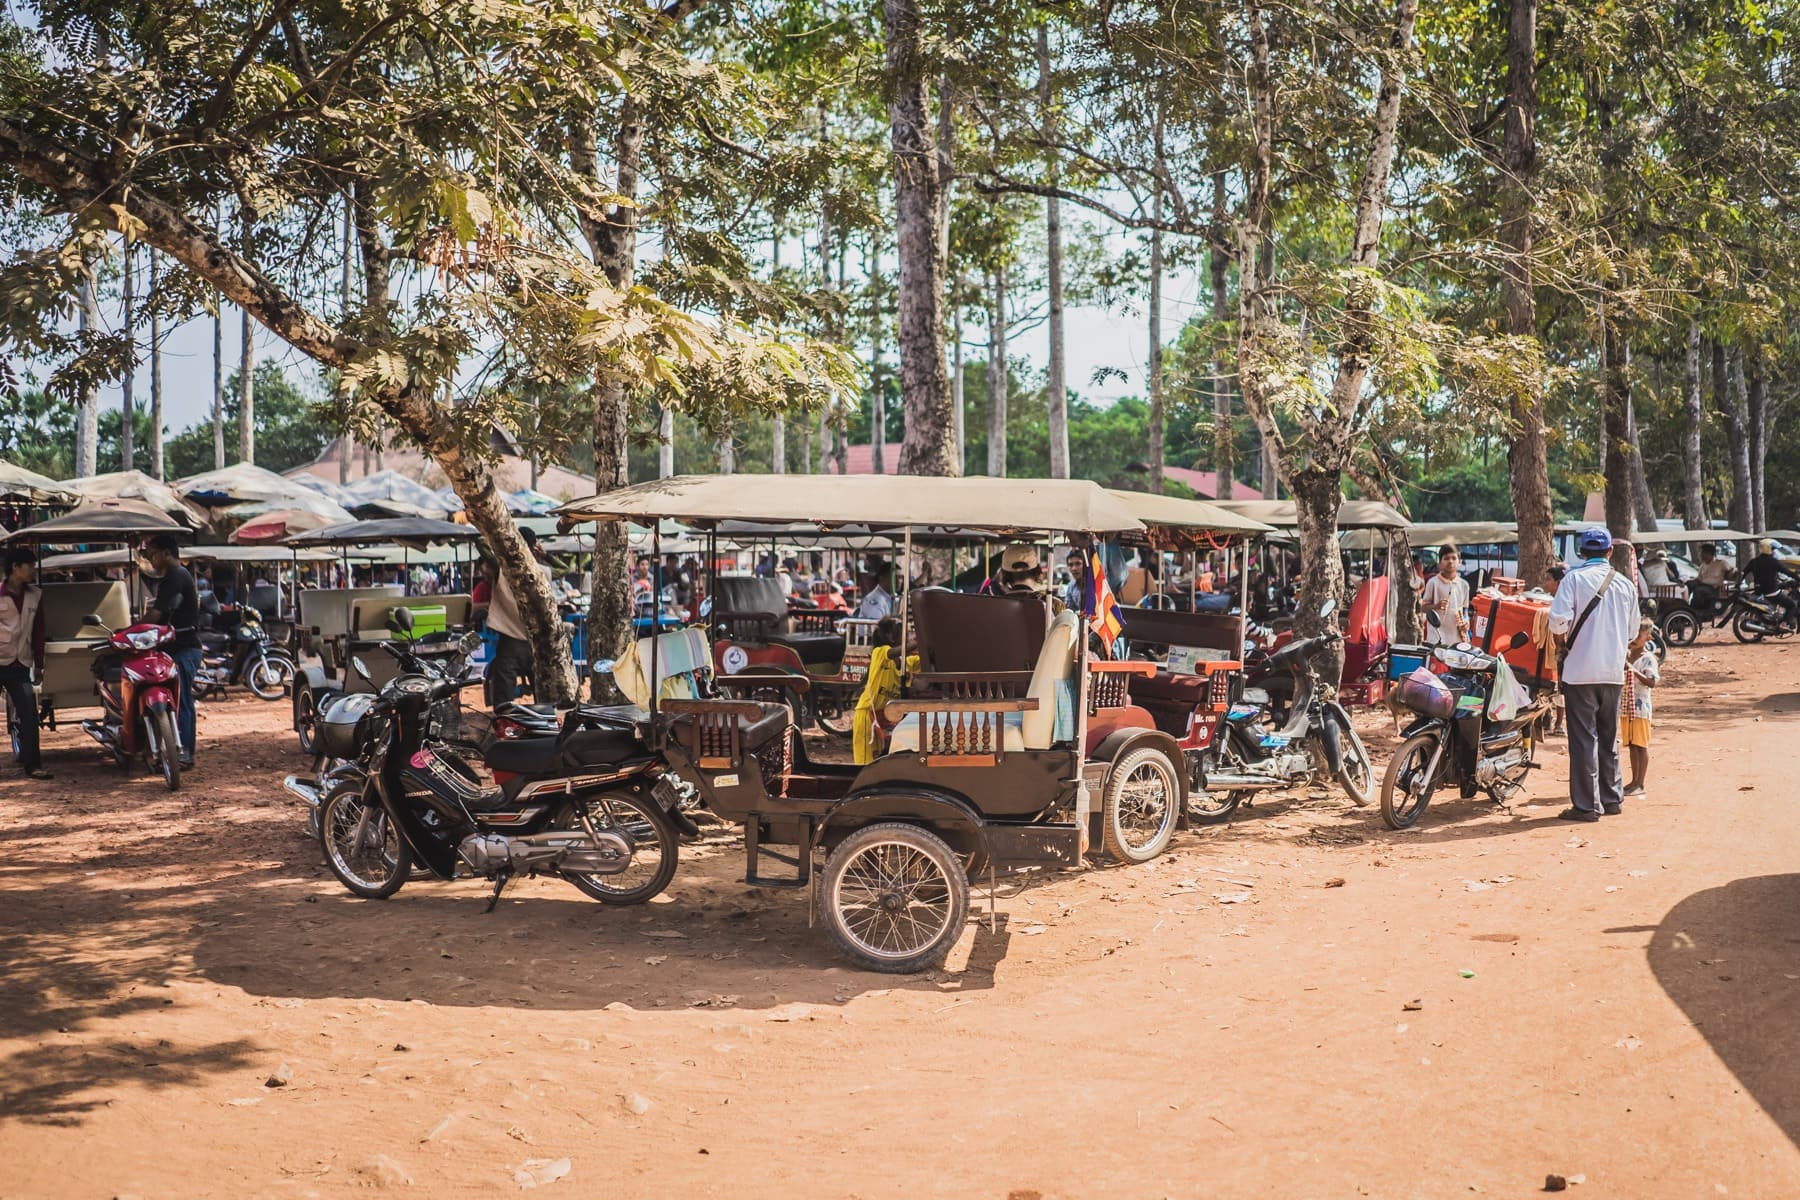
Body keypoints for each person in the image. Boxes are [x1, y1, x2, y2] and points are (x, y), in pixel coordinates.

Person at [1548, 527, 1640, 822]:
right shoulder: (1625, 584)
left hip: (1579, 672)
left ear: (1581, 552)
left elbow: (1558, 622)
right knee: (1608, 736)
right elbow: (1633, 632)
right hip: (1613, 672)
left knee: (1583, 740)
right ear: (1610, 551)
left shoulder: (1573, 579)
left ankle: (1587, 806)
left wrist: (1561, 644)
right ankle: (1612, 799)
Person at [143, 535, 203, 769]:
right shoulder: (175, 576)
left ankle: (185, 752)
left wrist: (132, 629)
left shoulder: (176, 577)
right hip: (173, 649)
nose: (150, 559)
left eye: (152, 554)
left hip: (184, 649)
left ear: (166, 553)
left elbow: (156, 614)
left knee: (182, 700)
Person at [485, 530, 556, 706]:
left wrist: (502, 545)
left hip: (510, 640)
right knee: (541, 689)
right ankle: (545, 718)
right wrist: (545, 555)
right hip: (536, 642)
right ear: (534, 547)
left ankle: (504, 718)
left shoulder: (502, 569)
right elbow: (566, 569)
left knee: (504, 690)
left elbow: (483, 547)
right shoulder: (544, 571)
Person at [1, 548, 49, 780]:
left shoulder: (35, 595)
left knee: (29, 714)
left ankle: (33, 765)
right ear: (15, 567)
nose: (33, 570)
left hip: (20, 664)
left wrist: (39, 664)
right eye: (30, 566)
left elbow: (39, 631)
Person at [1622, 617, 1659, 798]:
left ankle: (1640, 783)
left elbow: (1652, 682)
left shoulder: (1648, 658)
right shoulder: (1626, 655)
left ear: (1648, 638)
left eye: (1639, 635)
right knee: (1631, 745)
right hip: (1626, 707)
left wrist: (1632, 670)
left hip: (1641, 708)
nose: (1635, 638)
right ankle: (1633, 781)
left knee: (1641, 745)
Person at [1420, 546, 1470, 646]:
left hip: (1457, 637)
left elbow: (1465, 610)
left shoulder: (1464, 585)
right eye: (1446, 558)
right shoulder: (1433, 583)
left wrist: (1466, 622)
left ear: (1460, 562)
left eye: (1454, 558)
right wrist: (1436, 606)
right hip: (1437, 636)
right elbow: (1423, 608)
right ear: (1439, 563)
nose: (1450, 561)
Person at [1744, 539, 1799, 629]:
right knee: (1792, 605)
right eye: (1773, 549)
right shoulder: (1773, 561)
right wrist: (1797, 578)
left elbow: (1744, 572)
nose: (1774, 551)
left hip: (1758, 591)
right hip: (1772, 592)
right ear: (1768, 549)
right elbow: (1787, 572)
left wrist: (1738, 584)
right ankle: (1783, 624)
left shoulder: (1754, 561)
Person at [1693, 544, 1730, 611]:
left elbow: (1731, 570)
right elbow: (1699, 578)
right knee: (1689, 585)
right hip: (1702, 585)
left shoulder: (1721, 563)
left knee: (1698, 590)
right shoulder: (1702, 565)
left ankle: (1696, 610)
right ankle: (1684, 606)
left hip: (1714, 588)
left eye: (1703, 553)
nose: (1701, 555)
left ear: (1709, 554)